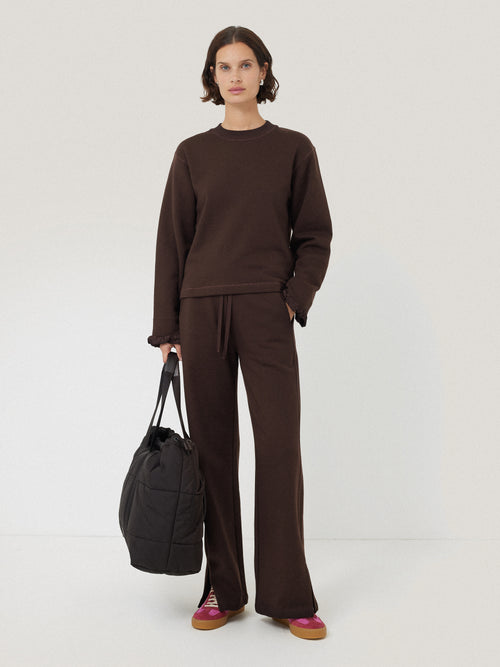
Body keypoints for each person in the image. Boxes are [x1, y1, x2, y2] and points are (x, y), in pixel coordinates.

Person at [147, 26, 333, 641]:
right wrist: (167, 327)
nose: (234, 76)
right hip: (201, 312)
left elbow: (315, 236)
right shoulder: (192, 154)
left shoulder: (294, 149)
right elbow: (172, 241)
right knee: (213, 452)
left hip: (265, 311)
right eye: (223, 66)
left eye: (245, 64)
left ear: (263, 72)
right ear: (212, 76)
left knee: (279, 448)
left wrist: (292, 300)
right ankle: (222, 588)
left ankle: (288, 594)